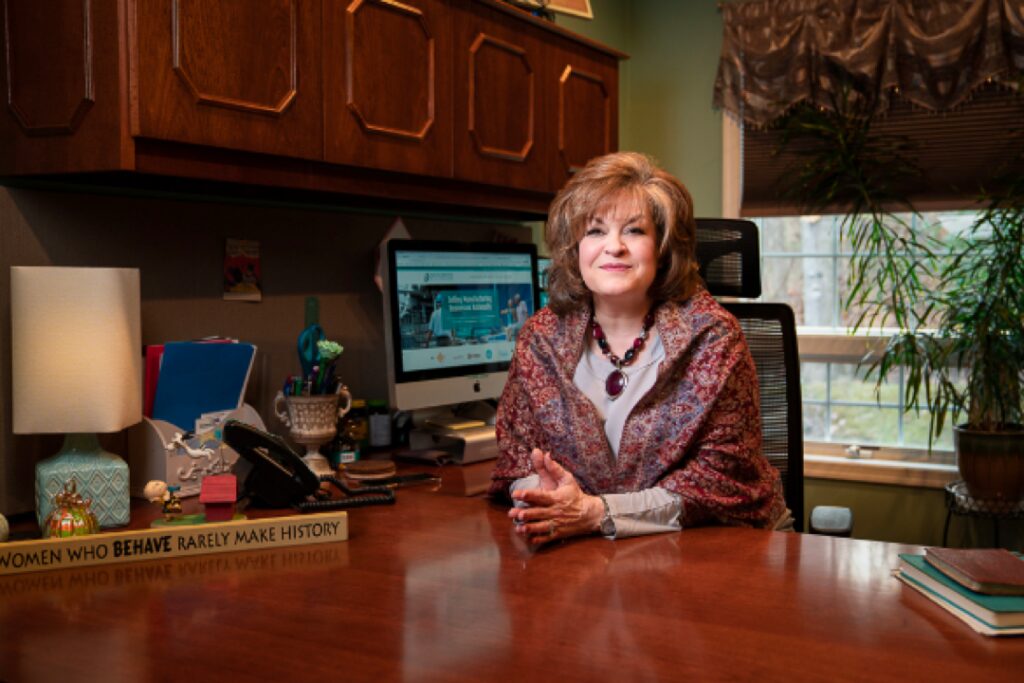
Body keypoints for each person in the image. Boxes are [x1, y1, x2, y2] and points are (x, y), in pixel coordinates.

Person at [490, 151, 788, 545]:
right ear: (574, 247)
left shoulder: (713, 338)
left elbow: (722, 479)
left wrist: (598, 513)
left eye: (634, 230)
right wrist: (543, 495)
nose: (613, 247)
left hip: (712, 545)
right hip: (581, 548)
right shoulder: (540, 338)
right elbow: (514, 455)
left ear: (663, 248)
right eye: (595, 231)